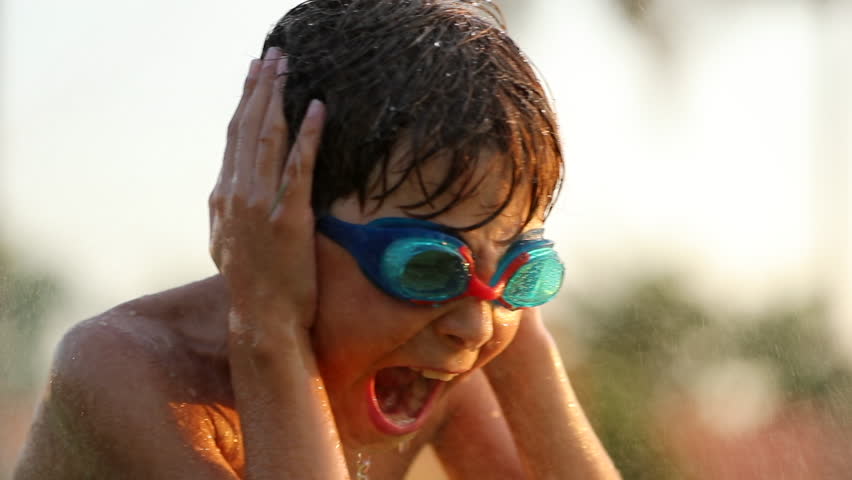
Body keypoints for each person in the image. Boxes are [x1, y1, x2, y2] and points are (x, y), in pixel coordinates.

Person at [14, 1, 620, 478]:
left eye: (527, 272)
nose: (475, 327)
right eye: (430, 268)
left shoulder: (428, 374)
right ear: (278, 225)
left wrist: (517, 329)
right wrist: (269, 327)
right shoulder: (128, 370)